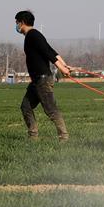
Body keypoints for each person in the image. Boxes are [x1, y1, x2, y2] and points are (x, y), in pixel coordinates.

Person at [14, 10, 72, 141]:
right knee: (26, 107)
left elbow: (48, 52)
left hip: (42, 80)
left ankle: (64, 137)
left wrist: (62, 68)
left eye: (17, 22)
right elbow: (51, 51)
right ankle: (33, 136)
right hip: (36, 81)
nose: (16, 25)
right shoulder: (33, 36)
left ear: (22, 22)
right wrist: (64, 64)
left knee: (51, 110)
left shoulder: (33, 35)